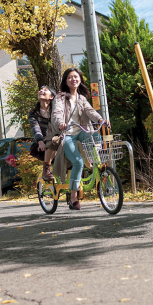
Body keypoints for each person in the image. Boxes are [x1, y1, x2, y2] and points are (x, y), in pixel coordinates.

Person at [52, 67, 106, 210]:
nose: (73, 79)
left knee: (95, 135)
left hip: (82, 131)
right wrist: (60, 124)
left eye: (76, 77)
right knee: (77, 162)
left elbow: (90, 111)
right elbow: (57, 113)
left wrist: (101, 119)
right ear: (65, 80)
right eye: (70, 77)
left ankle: (94, 161)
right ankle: (73, 196)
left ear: (80, 79)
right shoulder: (60, 97)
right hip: (68, 134)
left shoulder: (82, 98)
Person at [28, 85, 58, 181]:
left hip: (57, 143)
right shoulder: (33, 113)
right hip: (40, 146)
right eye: (40, 89)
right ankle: (46, 170)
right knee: (52, 141)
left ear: (51, 97)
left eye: (45, 90)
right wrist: (40, 141)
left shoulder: (56, 111)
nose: (41, 91)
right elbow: (35, 128)